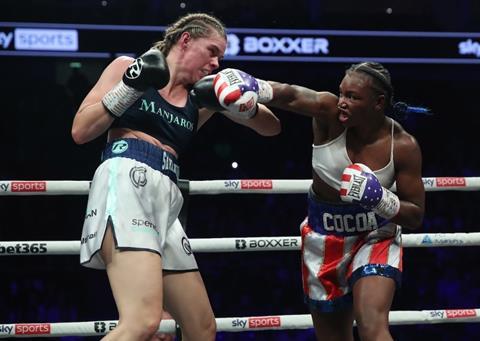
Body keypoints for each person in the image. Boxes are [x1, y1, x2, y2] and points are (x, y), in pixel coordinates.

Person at [71, 13, 280, 341]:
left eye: (221, 57)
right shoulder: (128, 65)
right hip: (125, 177)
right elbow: (81, 130)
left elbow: (271, 128)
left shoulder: (202, 97)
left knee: (202, 328)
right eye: (212, 51)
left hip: (167, 197)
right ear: (185, 40)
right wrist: (130, 85)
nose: (216, 62)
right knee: (141, 322)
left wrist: (246, 98)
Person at [214, 62, 425, 340]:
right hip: (323, 237)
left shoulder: (403, 145)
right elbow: (292, 95)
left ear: (379, 103)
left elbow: (415, 214)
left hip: (375, 237)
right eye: (342, 93)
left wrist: (380, 199)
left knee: (372, 325)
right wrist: (257, 87)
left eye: (353, 97)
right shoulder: (329, 113)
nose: (343, 103)